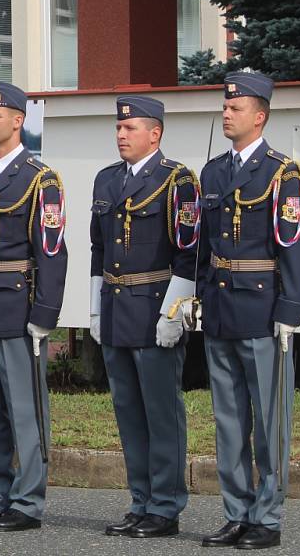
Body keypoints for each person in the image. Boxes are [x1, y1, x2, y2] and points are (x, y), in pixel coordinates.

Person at [197, 72, 300, 550]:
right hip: (221, 308)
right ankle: (236, 511)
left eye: (236, 107)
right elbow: (204, 246)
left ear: (259, 115)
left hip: (263, 310)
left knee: (269, 421)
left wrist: (292, 308)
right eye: (225, 107)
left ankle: (267, 515)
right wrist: (197, 298)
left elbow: (296, 246)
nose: (227, 113)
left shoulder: (282, 173)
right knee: (228, 419)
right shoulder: (213, 172)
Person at [89, 96, 198, 538]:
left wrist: (173, 313)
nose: (121, 134)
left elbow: (189, 253)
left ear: (155, 134)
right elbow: (98, 250)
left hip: (154, 308)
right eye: (119, 128)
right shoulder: (106, 180)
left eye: (130, 128)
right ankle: (141, 500)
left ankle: (166, 506)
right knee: (128, 411)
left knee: (160, 412)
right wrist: (95, 307)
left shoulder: (177, 180)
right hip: (117, 310)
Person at [0, 81, 67, 532]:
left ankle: (27, 500)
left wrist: (45, 315)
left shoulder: (39, 178)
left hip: (16, 306)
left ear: (18, 121)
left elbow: (52, 251)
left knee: (24, 410)